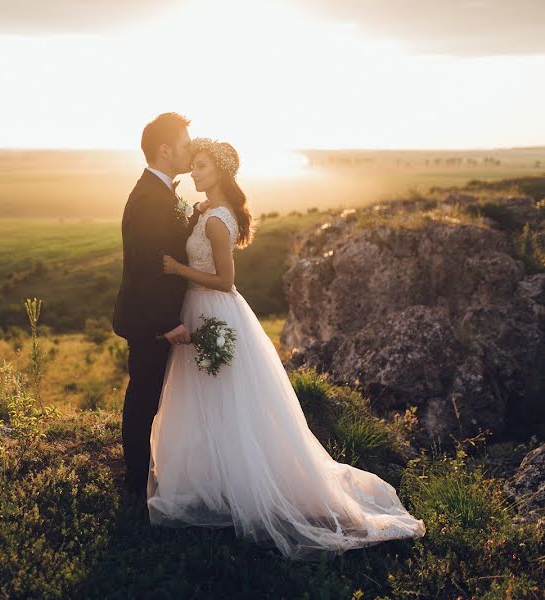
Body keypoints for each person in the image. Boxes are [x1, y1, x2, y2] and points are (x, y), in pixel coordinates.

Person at [147, 136, 427, 561]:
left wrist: (177, 268)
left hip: (213, 308)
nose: (194, 172)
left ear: (219, 172)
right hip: (199, 308)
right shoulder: (208, 212)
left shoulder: (219, 220)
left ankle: (241, 482)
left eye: (201, 166)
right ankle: (212, 477)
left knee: (225, 396)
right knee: (202, 394)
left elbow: (225, 280)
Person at [112, 112, 207, 496]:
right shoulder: (150, 197)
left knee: (151, 395)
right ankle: (135, 485)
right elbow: (146, 266)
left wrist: (192, 217)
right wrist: (167, 322)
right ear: (165, 150)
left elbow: (164, 244)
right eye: (185, 144)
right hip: (148, 320)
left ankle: (148, 471)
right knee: (143, 399)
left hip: (152, 317)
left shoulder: (160, 191)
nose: (191, 149)